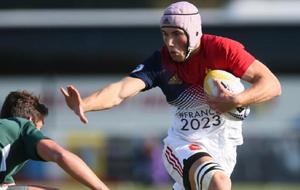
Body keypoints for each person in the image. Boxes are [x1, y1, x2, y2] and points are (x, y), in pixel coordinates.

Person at [61, 1, 281, 190]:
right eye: (165, 34)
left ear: (194, 32)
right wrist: (85, 103)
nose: (170, 42)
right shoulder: (160, 62)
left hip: (224, 146)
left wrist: (236, 100)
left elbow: (272, 84)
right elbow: (120, 91)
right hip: (183, 144)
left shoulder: (223, 50)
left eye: (177, 34)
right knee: (220, 183)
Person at [0, 90, 110, 190]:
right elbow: (61, 155)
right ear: (30, 119)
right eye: (38, 128)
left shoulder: (5, 133)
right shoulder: (22, 125)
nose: (38, 133)